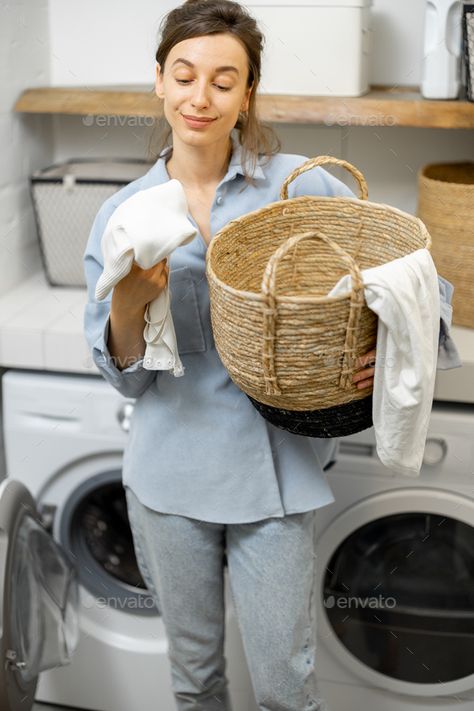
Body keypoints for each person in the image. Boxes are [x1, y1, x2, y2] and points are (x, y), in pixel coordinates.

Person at [83, 2, 378, 709]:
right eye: (184, 75)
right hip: (169, 470)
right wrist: (126, 306)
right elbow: (120, 372)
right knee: (196, 683)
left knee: (285, 685)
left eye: (224, 79)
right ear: (159, 81)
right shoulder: (126, 212)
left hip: (273, 472)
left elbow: (402, 271)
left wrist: (385, 345)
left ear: (247, 93)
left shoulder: (297, 186)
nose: (200, 96)